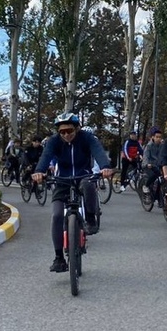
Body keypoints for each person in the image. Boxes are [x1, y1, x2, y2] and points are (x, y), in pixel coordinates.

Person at [31, 112, 113, 273]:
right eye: (62, 132)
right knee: (56, 215)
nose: (66, 135)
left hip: (83, 175)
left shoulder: (87, 138)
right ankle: (59, 258)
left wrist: (105, 167)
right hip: (62, 179)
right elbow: (46, 157)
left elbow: (98, 151)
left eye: (69, 131)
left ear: (77, 128)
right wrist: (39, 171)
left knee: (89, 184)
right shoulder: (54, 141)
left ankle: (91, 219)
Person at [141, 127, 164, 202]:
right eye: (157, 137)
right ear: (153, 137)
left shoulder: (162, 145)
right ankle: (146, 186)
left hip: (158, 165)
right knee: (154, 175)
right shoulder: (149, 146)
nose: (158, 139)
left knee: (162, 179)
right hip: (150, 166)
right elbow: (146, 156)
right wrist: (147, 164)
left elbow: (164, 155)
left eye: (160, 137)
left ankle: (159, 197)